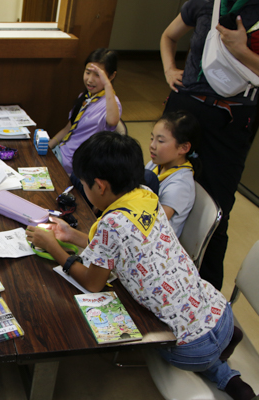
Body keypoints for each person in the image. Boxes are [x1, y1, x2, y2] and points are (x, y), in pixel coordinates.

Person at [26, 132, 255, 400]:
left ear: (99, 186)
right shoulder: (146, 194)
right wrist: (71, 236)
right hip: (220, 312)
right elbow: (120, 245)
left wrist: (53, 247)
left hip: (189, 350)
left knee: (138, 321)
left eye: (85, 186)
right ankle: (227, 374)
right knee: (190, 324)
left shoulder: (111, 224)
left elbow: (92, 282)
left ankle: (208, 355)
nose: (85, 192)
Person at [160, 0, 259, 289]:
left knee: (217, 208)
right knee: (159, 184)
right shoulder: (205, 2)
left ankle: (208, 298)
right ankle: (155, 269)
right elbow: (169, 35)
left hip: (230, 120)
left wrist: (242, 51)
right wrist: (169, 70)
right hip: (185, 108)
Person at [48, 48, 122, 175]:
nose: (90, 79)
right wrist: (48, 146)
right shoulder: (85, 96)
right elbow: (68, 129)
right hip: (60, 153)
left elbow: (113, 120)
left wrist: (108, 85)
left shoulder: (112, 103)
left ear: (111, 76)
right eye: (88, 72)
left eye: (98, 75)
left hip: (75, 165)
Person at [146, 110, 201, 237]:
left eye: (160, 141)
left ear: (183, 148)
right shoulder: (156, 164)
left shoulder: (180, 185)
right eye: (152, 138)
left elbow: (154, 224)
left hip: (155, 242)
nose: (152, 146)